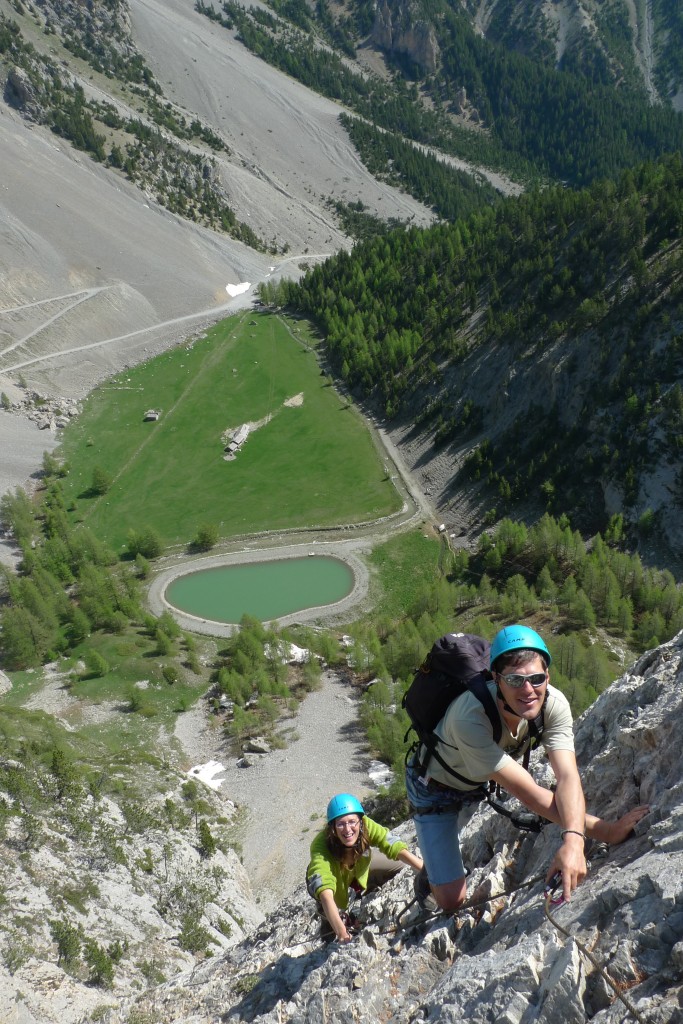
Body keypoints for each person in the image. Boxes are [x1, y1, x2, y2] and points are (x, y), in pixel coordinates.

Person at [406, 624, 649, 912]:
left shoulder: (553, 704)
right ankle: (428, 877)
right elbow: (531, 794)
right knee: (451, 901)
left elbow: (567, 776)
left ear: (548, 675)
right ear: (496, 679)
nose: (528, 690)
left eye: (536, 678)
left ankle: (437, 862)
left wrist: (575, 840)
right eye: (515, 680)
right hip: (435, 791)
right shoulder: (469, 717)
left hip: (475, 781)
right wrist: (604, 832)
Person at [306, 793, 424, 942]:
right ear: (333, 828)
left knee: (399, 865)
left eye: (352, 822)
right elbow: (325, 890)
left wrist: (426, 870)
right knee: (330, 916)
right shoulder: (321, 845)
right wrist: (343, 935)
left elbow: (390, 843)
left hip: (358, 866)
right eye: (341, 824)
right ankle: (329, 934)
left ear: (360, 822)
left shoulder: (366, 825)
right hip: (334, 876)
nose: (347, 829)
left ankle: (369, 890)